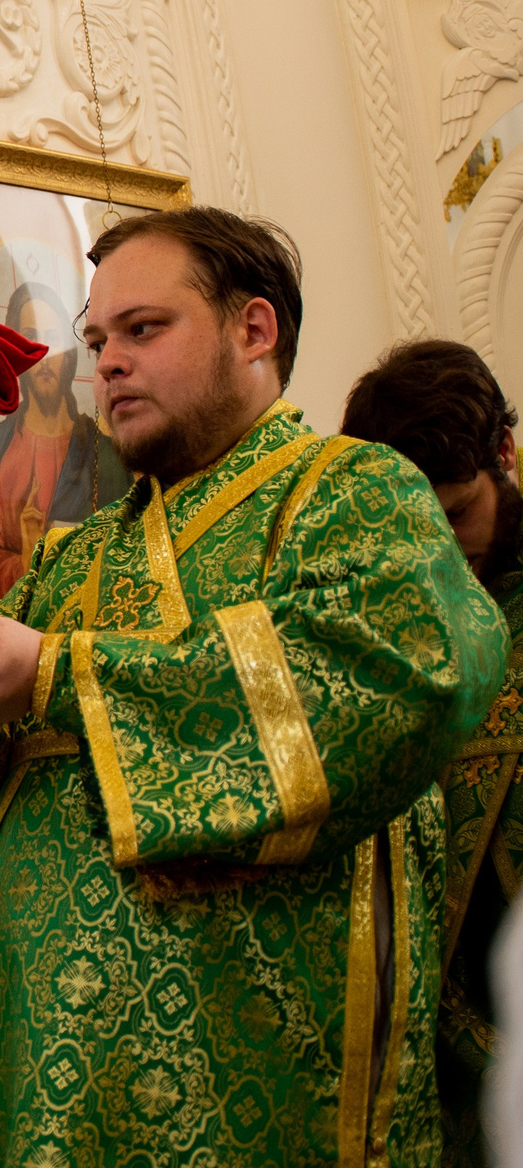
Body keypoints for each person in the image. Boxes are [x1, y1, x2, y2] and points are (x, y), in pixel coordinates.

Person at [0, 207, 507, 1166]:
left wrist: (60, 670)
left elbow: (399, 681)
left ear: (254, 329)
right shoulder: (74, 557)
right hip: (41, 1069)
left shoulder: (353, 492)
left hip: (253, 1072)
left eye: (143, 329)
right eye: (98, 339)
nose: (106, 362)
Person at [341, 339, 523, 1168]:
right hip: (433, 1044)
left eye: (455, 514)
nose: (440, 554)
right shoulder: (376, 619)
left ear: (505, 456)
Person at [0, 279, 128, 599]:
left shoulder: (109, 459)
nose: (44, 353)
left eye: (54, 339)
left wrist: (46, 558)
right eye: (30, 338)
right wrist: (23, 564)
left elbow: (122, 563)